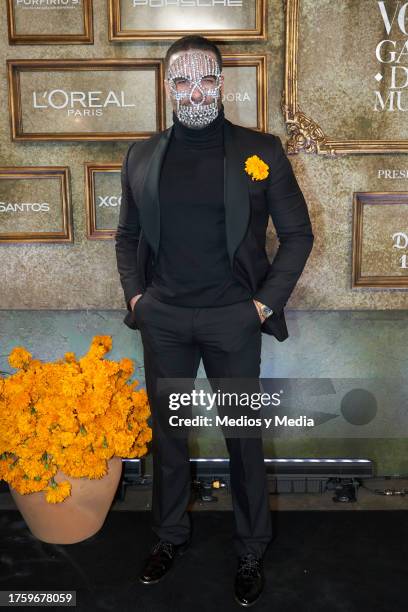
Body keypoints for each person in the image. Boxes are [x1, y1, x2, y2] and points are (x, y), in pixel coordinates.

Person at [115, 34, 314, 607]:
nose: (193, 89)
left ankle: (250, 547)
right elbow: (127, 238)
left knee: (243, 438)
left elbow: (298, 234)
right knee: (170, 437)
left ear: (223, 83)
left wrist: (263, 303)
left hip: (234, 319)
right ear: (168, 86)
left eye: (205, 78)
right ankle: (169, 536)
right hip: (166, 320)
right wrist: (136, 300)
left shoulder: (261, 151)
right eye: (181, 79)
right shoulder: (142, 156)